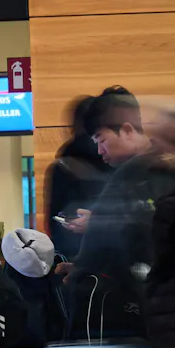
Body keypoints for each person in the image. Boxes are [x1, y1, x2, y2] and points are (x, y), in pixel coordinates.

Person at [71, 91, 175, 340]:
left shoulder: (150, 175)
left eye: (101, 140)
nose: (156, 143)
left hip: (149, 308)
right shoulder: (141, 174)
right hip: (154, 307)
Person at [45, 94, 114, 258]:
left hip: (74, 257)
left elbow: (53, 222)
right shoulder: (120, 161)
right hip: (116, 258)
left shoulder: (63, 166)